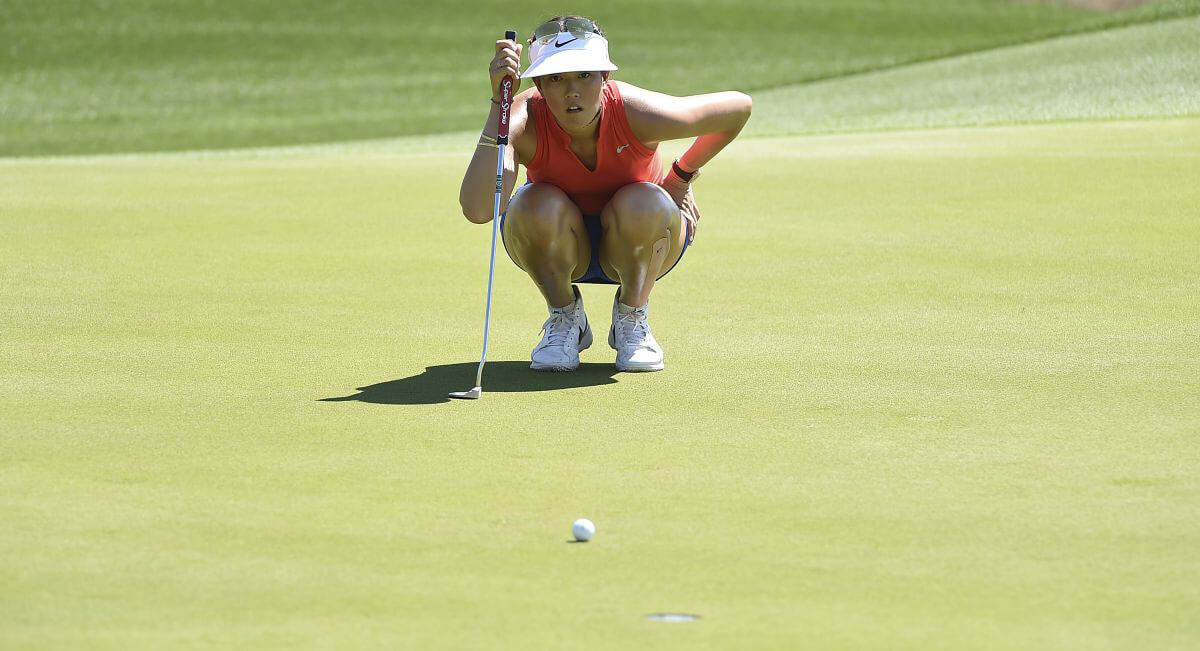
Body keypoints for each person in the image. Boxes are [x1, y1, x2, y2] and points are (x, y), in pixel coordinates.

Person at [459, 16, 751, 372]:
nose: (572, 92)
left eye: (585, 75)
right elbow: (477, 208)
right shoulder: (522, 115)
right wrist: (498, 106)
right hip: (560, 247)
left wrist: (680, 177)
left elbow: (738, 108)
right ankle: (566, 318)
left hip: (642, 242)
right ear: (538, 83)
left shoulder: (635, 112)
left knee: (644, 201)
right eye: (556, 78)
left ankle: (631, 316)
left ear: (605, 77)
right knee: (532, 203)